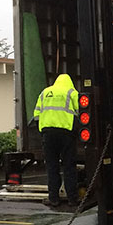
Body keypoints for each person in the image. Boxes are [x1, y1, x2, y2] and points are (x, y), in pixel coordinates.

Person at [34, 74, 79, 208]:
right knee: (69, 166)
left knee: (52, 167)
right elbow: (82, 112)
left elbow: (36, 115)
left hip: (48, 134)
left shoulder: (45, 92)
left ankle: (53, 198)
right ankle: (72, 199)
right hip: (66, 134)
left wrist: (42, 131)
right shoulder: (72, 92)